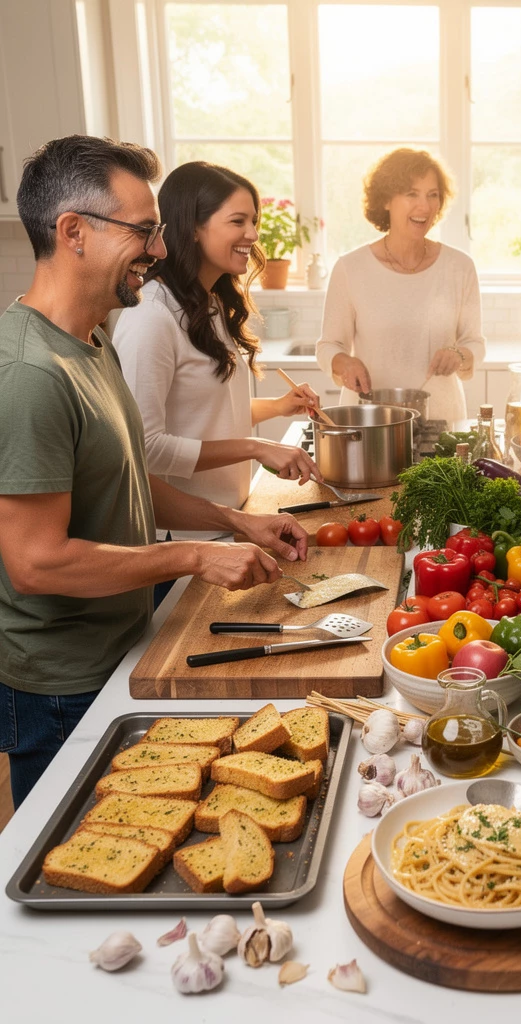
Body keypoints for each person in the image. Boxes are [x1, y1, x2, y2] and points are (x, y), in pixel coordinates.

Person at [0, 136, 308, 808]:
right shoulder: (29, 374)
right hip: (62, 683)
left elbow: (129, 483)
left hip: (121, 644)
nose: (161, 250)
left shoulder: (92, 342)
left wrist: (234, 522)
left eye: (160, 231)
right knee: (74, 876)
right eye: (144, 230)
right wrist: (195, 557)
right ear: (73, 233)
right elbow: (37, 564)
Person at [113, 162, 323, 549]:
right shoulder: (151, 316)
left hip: (225, 522)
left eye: (254, 221)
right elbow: (145, 448)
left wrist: (277, 407)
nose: (253, 234)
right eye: (238, 221)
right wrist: (257, 446)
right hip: (181, 538)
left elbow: (207, 414)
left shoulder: (207, 303)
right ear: (193, 227)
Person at [316, 148, 485, 426]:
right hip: (369, 421)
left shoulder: (459, 267)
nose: (425, 206)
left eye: (433, 195)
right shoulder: (351, 268)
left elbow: (474, 343)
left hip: (441, 419)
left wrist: (458, 354)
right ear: (385, 200)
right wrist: (345, 363)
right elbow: (328, 346)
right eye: (411, 194)